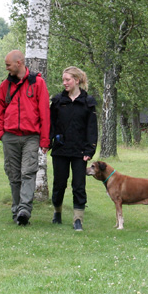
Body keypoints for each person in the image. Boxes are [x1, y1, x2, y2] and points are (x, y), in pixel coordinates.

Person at [0, 50, 50, 226]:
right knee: (13, 174)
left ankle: (24, 209)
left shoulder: (38, 83)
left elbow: (44, 112)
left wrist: (44, 140)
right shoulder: (5, 85)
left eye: (8, 64)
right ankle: (17, 210)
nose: (6, 68)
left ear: (19, 63)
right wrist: (0, 133)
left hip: (30, 137)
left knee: (28, 171)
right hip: (9, 136)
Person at [49, 66, 98, 231]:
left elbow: (92, 129)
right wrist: (48, 142)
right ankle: (57, 211)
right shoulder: (57, 101)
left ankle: (78, 219)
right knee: (59, 184)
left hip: (80, 152)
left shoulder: (88, 102)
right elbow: (51, 125)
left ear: (77, 80)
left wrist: (89, 150)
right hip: (60, 150)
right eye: (63, 80)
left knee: (79, 185)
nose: (64, 83)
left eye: (68, 79)